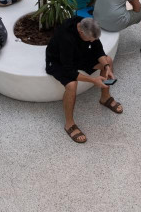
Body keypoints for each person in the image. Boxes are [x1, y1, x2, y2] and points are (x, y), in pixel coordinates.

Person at [45, 16, 121, 144]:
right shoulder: (66, 37)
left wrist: (107, 67)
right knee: (71, 84)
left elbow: (98, 49)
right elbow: (69, 71)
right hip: (58, 61)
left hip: (78, 54)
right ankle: (69, 124)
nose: (92, 41)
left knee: (107, 60)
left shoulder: (88, 25)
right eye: (90, 39)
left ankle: (105, 98)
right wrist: (93, 80)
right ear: (81, 32)